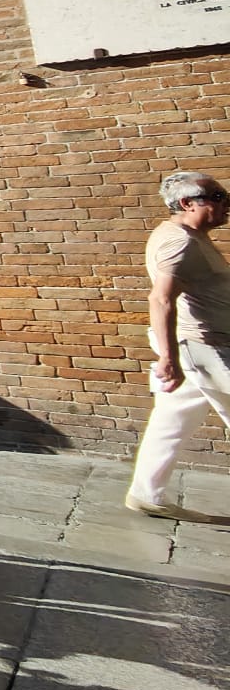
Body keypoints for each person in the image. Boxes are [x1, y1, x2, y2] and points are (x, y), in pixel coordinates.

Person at [126, 171, 230, 520]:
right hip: (206, 349)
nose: (225, 202)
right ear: (188, 204)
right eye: (216, 196)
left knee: (171, 421)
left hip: (199, 347)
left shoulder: (187, 236)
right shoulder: (180, 241)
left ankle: (146, 493)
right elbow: (161, 300)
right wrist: (168, 358)